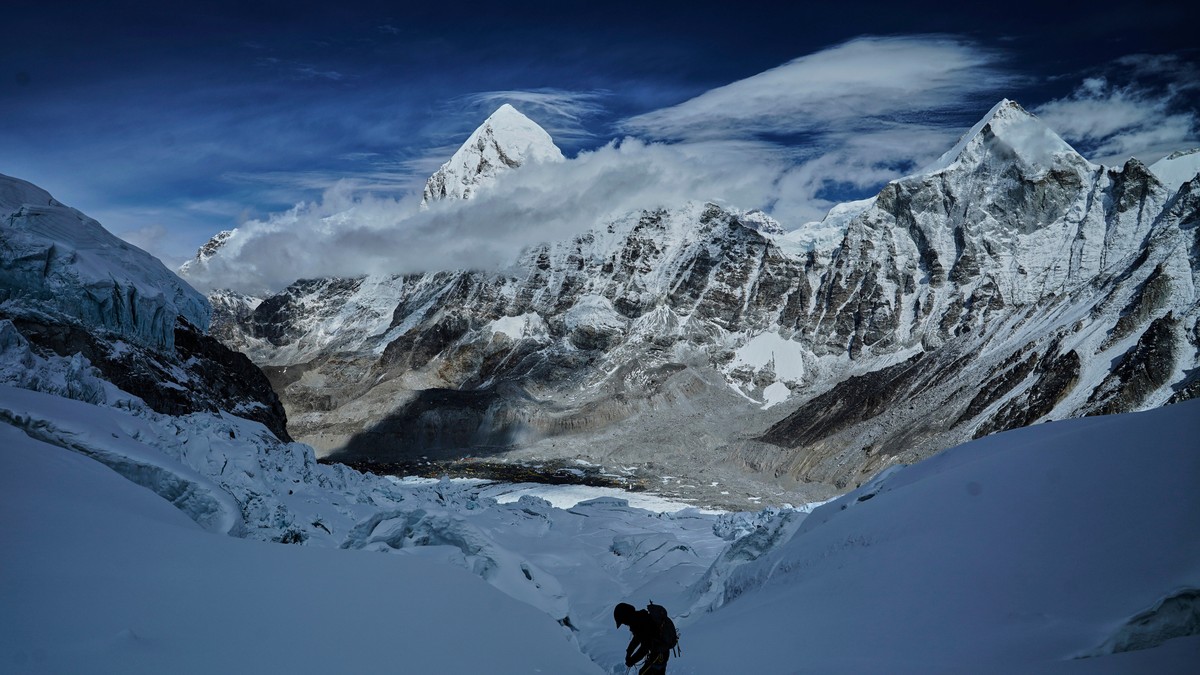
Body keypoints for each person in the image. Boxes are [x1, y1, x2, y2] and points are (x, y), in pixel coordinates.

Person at [614, 602, 669, 674]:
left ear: (626, 617)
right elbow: (637, 638)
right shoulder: (639, 619)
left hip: (659, 656)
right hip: (661, 654)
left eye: (624, 621)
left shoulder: (641, 623)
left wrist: (632, 660)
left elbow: (645, 648)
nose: (625, 624)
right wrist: (629, 652)